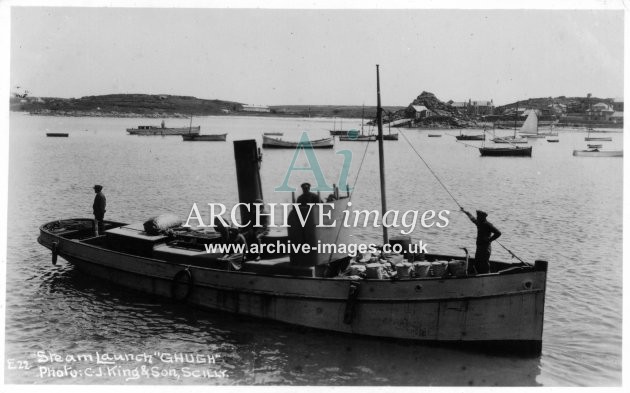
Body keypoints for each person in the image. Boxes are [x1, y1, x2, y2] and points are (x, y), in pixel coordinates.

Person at [461, 207, 501, 274]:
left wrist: (489, 240)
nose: (477, 218)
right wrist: (466, 212)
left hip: (485, 248)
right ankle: (479, 274)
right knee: (478, 262)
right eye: (477, 216)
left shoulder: (487, 224)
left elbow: (498, 233)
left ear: (482, 217)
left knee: (484, 262)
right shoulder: (479, 223)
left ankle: (487, 275)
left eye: (478, 216)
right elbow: (472, 219)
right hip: (479, 247)